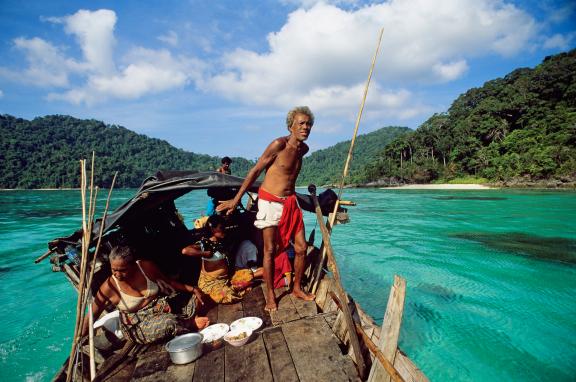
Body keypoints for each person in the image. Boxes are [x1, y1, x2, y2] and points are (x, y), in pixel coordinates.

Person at [217, 106, 315, 312]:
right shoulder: (279, 144)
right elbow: (255, 170)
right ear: (291, 126)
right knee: (269, 250)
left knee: (301, 248)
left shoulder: (303, 150)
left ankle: (296, 287)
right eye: (301, 123)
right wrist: (235, 201)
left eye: (309, 124)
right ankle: (271, 295)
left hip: (290, 203)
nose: (306, 127)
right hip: (270, 201)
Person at [82, 246, 209, 345]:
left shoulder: (145, 267)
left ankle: (184, 321)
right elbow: (92, 314)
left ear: (132, 265)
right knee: (169, 322)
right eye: (113, 269)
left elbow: (169, 282)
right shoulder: (109, 287)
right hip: (138, 326)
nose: (117, 274)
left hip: (161, 309)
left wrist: (192, 289)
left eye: (122, 270)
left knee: (197, 298)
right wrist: (80, 337)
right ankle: (189, 324)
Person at [181, 215, 255, 304]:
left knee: (248, 274)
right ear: (212, 229)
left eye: (224, 227)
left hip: (226, 279)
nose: (224, 229)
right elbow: (185, 251)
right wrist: (204, 253)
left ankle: (235, 287)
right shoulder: (205, 244)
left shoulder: (222, 241)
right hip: (211, 284)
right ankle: (235, 288)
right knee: (228, 296)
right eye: (221, 228)